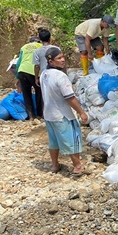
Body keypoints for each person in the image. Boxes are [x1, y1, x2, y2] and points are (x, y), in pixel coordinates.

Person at [40, 47, 88, 176]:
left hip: (49, 114)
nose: (63, 60)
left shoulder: (44, 74)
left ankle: (55, 165)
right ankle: (77, 167)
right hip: (62, 115)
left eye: (62, 57)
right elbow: (70, 97)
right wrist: (81, 112)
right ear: (51, 62)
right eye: (59, 58)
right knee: (72, 140)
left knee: (54, 141)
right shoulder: (61, 76)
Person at [15, 35, 43, 119]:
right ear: (38, 41)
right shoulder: (40, 46)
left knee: (26, 94)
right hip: (34, 71)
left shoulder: (24, 47)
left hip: (22, 70)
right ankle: (39, 114)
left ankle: (31, 115)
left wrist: (17, 76)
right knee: (39, 92)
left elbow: (19, 62)